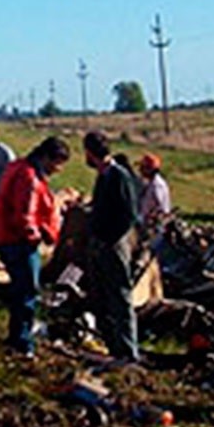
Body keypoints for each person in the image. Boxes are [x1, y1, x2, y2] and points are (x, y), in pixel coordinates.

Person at [0, 135, 70, 357]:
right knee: (27, 291)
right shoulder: (29, 178)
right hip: (17, 241)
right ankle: (22, 343)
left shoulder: (19, 167)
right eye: (58, 163)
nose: (59, 169)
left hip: (4, 235)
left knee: (20, 289)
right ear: (47, 158)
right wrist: (39, 237)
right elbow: (24, 217)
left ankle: (16, 336)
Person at [84, 130, 140, 361]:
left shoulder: (119, 176)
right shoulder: (103, 175)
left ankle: (128, 351)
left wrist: (109, 239)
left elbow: (129, 214)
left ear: (90, 153)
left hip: (114, 244)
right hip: (101, 243)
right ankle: (113, 347)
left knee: (120, 296)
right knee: (101, 296)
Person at [137, 152, 172, 228]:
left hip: (154, 226)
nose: (140, 170)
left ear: (150, 169)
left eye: (142, 167)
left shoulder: (157, 185)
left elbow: (160, 208)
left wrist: (150, 220)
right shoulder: (149, 182)